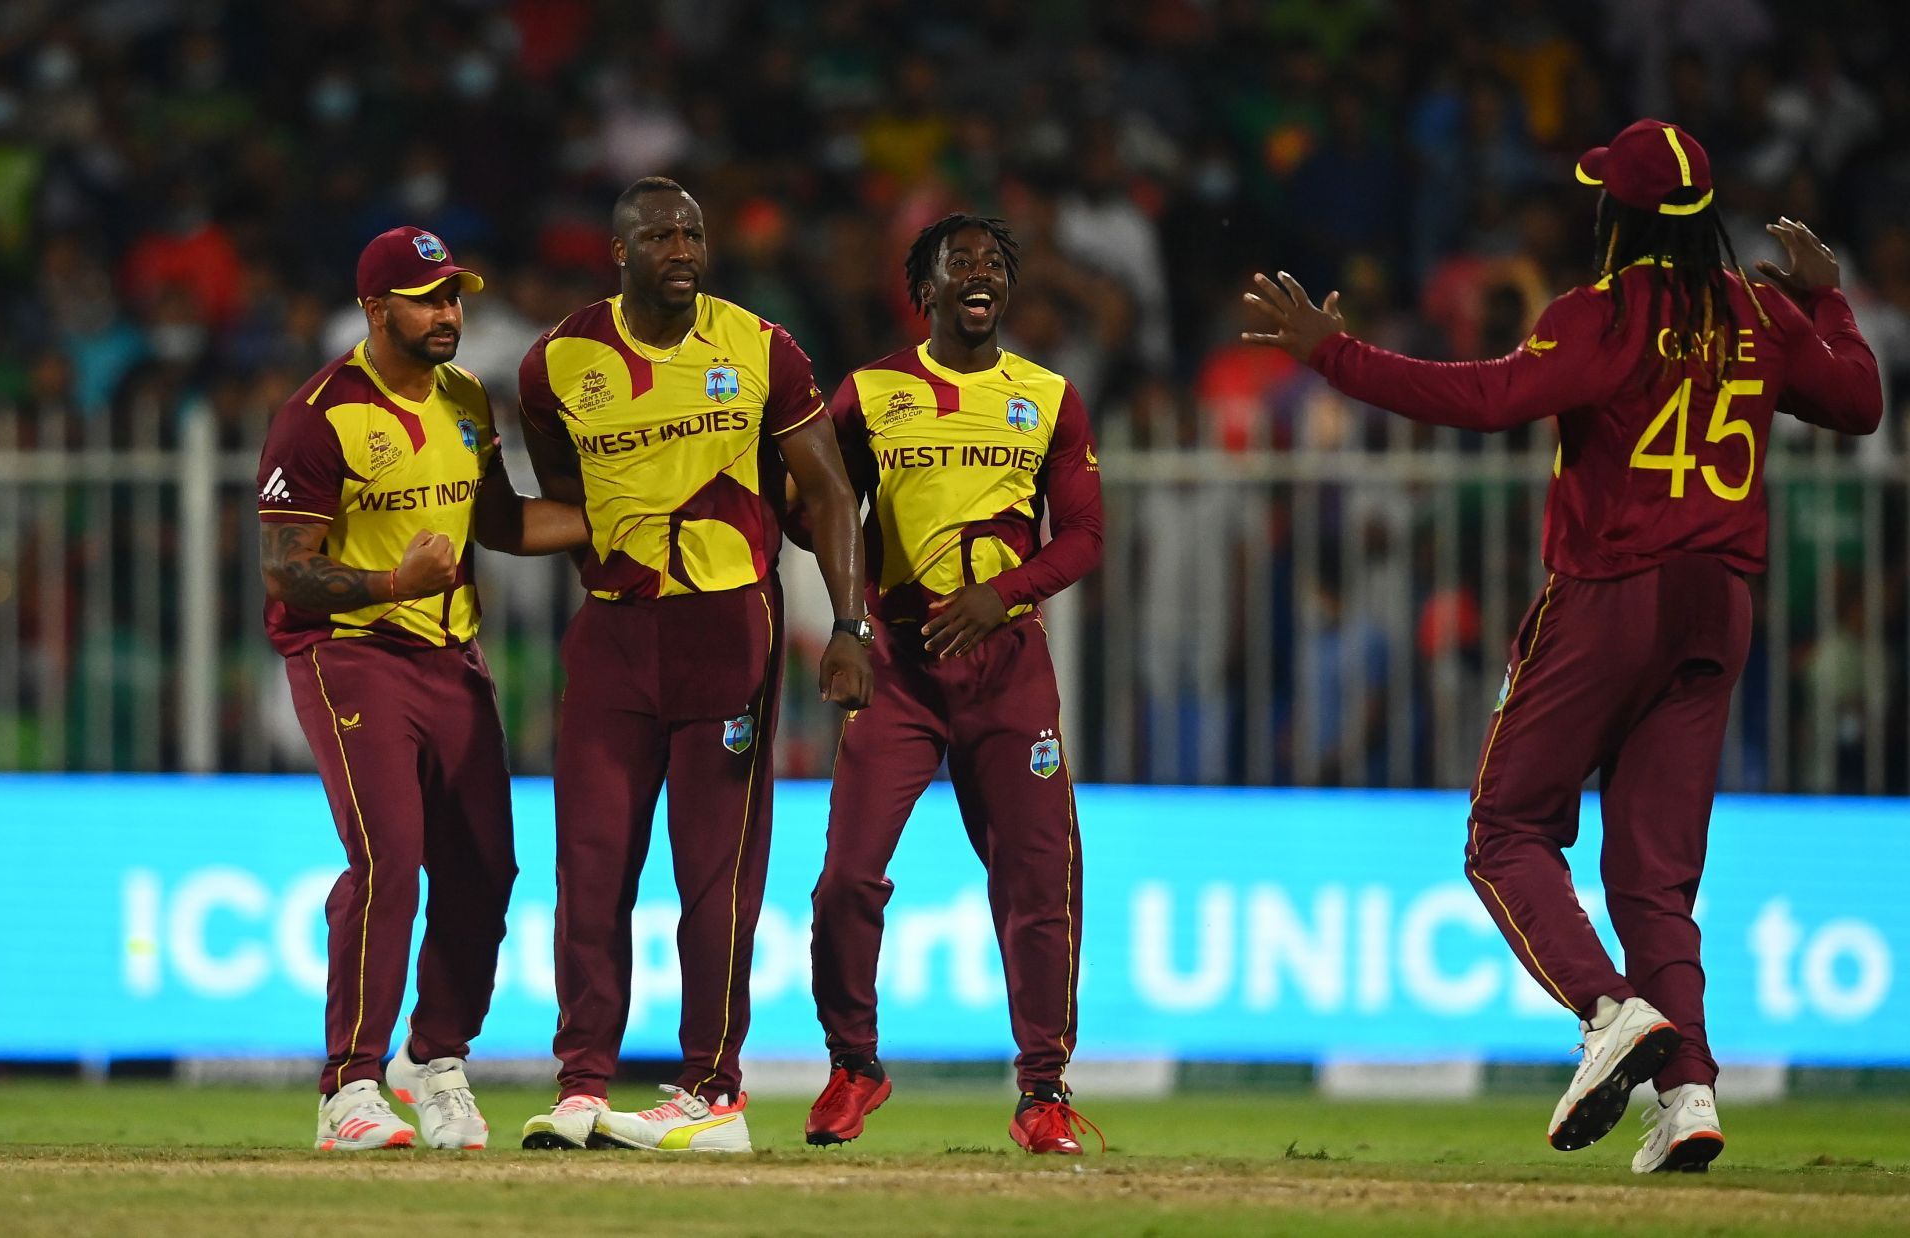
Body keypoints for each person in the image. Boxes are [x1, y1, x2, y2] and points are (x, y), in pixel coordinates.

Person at [1240, 120, 1881, 1173]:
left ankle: (1606, 1012)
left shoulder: (1602, 313)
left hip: (1611, 593)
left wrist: (1332, 353)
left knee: (1504, 829)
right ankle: (1688, 1095)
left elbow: (1490, 398)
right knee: (1654, 878)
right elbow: (1859, 403)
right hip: (1719, 603)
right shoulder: (1759, 311)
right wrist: (1828, 295)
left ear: (1616, 215)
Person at [515, 176, 874, 1153]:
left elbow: (831, 492)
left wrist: (850, 624)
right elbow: (565, 498)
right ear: (618, 251)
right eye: (660, 234)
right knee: (590, 865)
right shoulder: (555, 364)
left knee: (714, 872)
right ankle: (583, 1082)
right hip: (614, 632)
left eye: (694, 233)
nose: (682, 247)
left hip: (728, 625)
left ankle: (714, 1091)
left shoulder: (760, 346)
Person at [256, 226, 590, 1151]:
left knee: (486, 871)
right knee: (390, 860)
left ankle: (434, 1059)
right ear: (374, 309)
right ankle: (349, 1087)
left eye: (454, 297)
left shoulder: (466, 401)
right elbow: (286, 571)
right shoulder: (317, 416)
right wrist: (390, 585)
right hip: (351, 652)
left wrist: (622, 516)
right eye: (428, 298)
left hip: (453, 659)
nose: (450, 314)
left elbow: (504, 524)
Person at [799, 214, 1105, 1154]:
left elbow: (1086, 536)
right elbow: (820, 510)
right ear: (922, 291)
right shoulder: (872, 392)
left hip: (1008, 668)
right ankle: (855, 1065)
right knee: (846, 877)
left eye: (993, 265)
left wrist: (1000, 595)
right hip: (899, 664)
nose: (979, 275)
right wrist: (850, 622)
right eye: (958, 263)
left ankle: (1043, 1092)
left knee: (1039, 879)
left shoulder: (1048, 397)